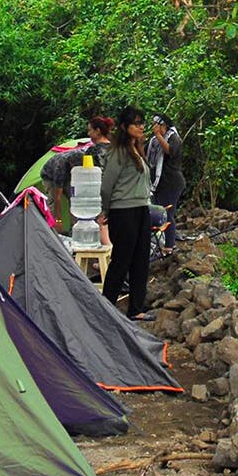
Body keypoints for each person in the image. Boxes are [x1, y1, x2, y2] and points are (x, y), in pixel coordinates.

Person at [97, 107, 153, 320]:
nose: (141, 127)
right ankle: (107, 306)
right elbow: (107, 185)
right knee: (122, 259)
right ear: (124, 126)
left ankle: (136, 308)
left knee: (141, 259)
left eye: (142, 122)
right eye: (136, 123)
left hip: (141, 208)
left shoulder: (138, 148)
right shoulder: (118, 152)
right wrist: (105, 209)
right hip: (123, 210)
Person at [41, 116, 114, 228]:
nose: (88, 134)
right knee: (60, 200)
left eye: (90, 130)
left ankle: (74, 227)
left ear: (98, 131)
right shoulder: (61, 166)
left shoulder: (101, 150)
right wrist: (59, 220)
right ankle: (54, 230)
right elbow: (57, 197)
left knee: (75, 197)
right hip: (50, 174)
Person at [147, 114, 185, 255]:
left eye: (157, 125)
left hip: (171, 183)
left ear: (163, 126)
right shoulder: (154, 141)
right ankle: (161, 241)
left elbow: (170, 151)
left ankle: (170, 245)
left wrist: (158, 135)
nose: (154, 128)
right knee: (158, 213)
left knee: (167, 213)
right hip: (158, 184)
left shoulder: (174, 138)